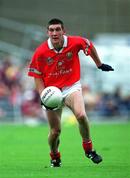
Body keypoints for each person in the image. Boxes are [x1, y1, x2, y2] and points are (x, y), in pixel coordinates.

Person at [28, 18, 114, 167]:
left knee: (81, 115)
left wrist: (99, 64)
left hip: (71, 86)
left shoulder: (75, 42)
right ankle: (55, 156)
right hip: (51, 92)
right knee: (55, 132)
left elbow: (89, 45)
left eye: (57, 29)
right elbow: (36, 75)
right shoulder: (40, 52)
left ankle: (89, 149)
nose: (55, 33)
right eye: (52, 30)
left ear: (63, 31)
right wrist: (43, 95)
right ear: (47, 32)